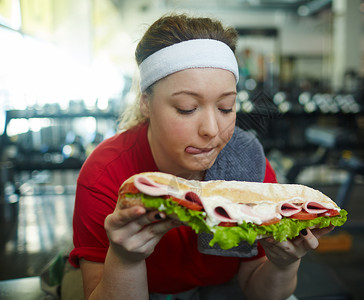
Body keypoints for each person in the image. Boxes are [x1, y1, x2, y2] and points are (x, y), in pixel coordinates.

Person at [68, 13, 334, 300]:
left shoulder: (248, 164)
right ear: (146, 102)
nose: (211, 130)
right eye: (186, 108)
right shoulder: (105, 174)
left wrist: (283, 264)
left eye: (225, 107)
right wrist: (124, 259)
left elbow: (261, 291)